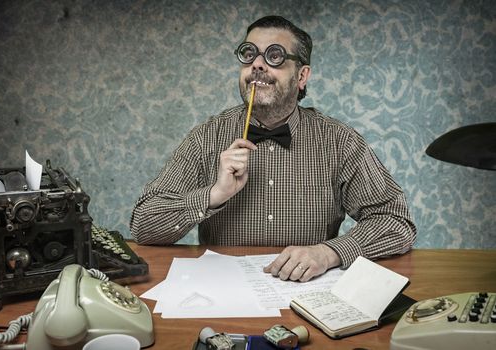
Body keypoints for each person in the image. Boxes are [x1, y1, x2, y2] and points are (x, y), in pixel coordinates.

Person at [130, 15, 416, 282]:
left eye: (274, 56)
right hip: (223, 290)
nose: (257, 64)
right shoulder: (207, 136)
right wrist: (214, 194)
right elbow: (143, 226)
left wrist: (329, 252)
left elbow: (396, 221)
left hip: (308, 291)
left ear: (302, 76)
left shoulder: (339, 141)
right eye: (249, 54)